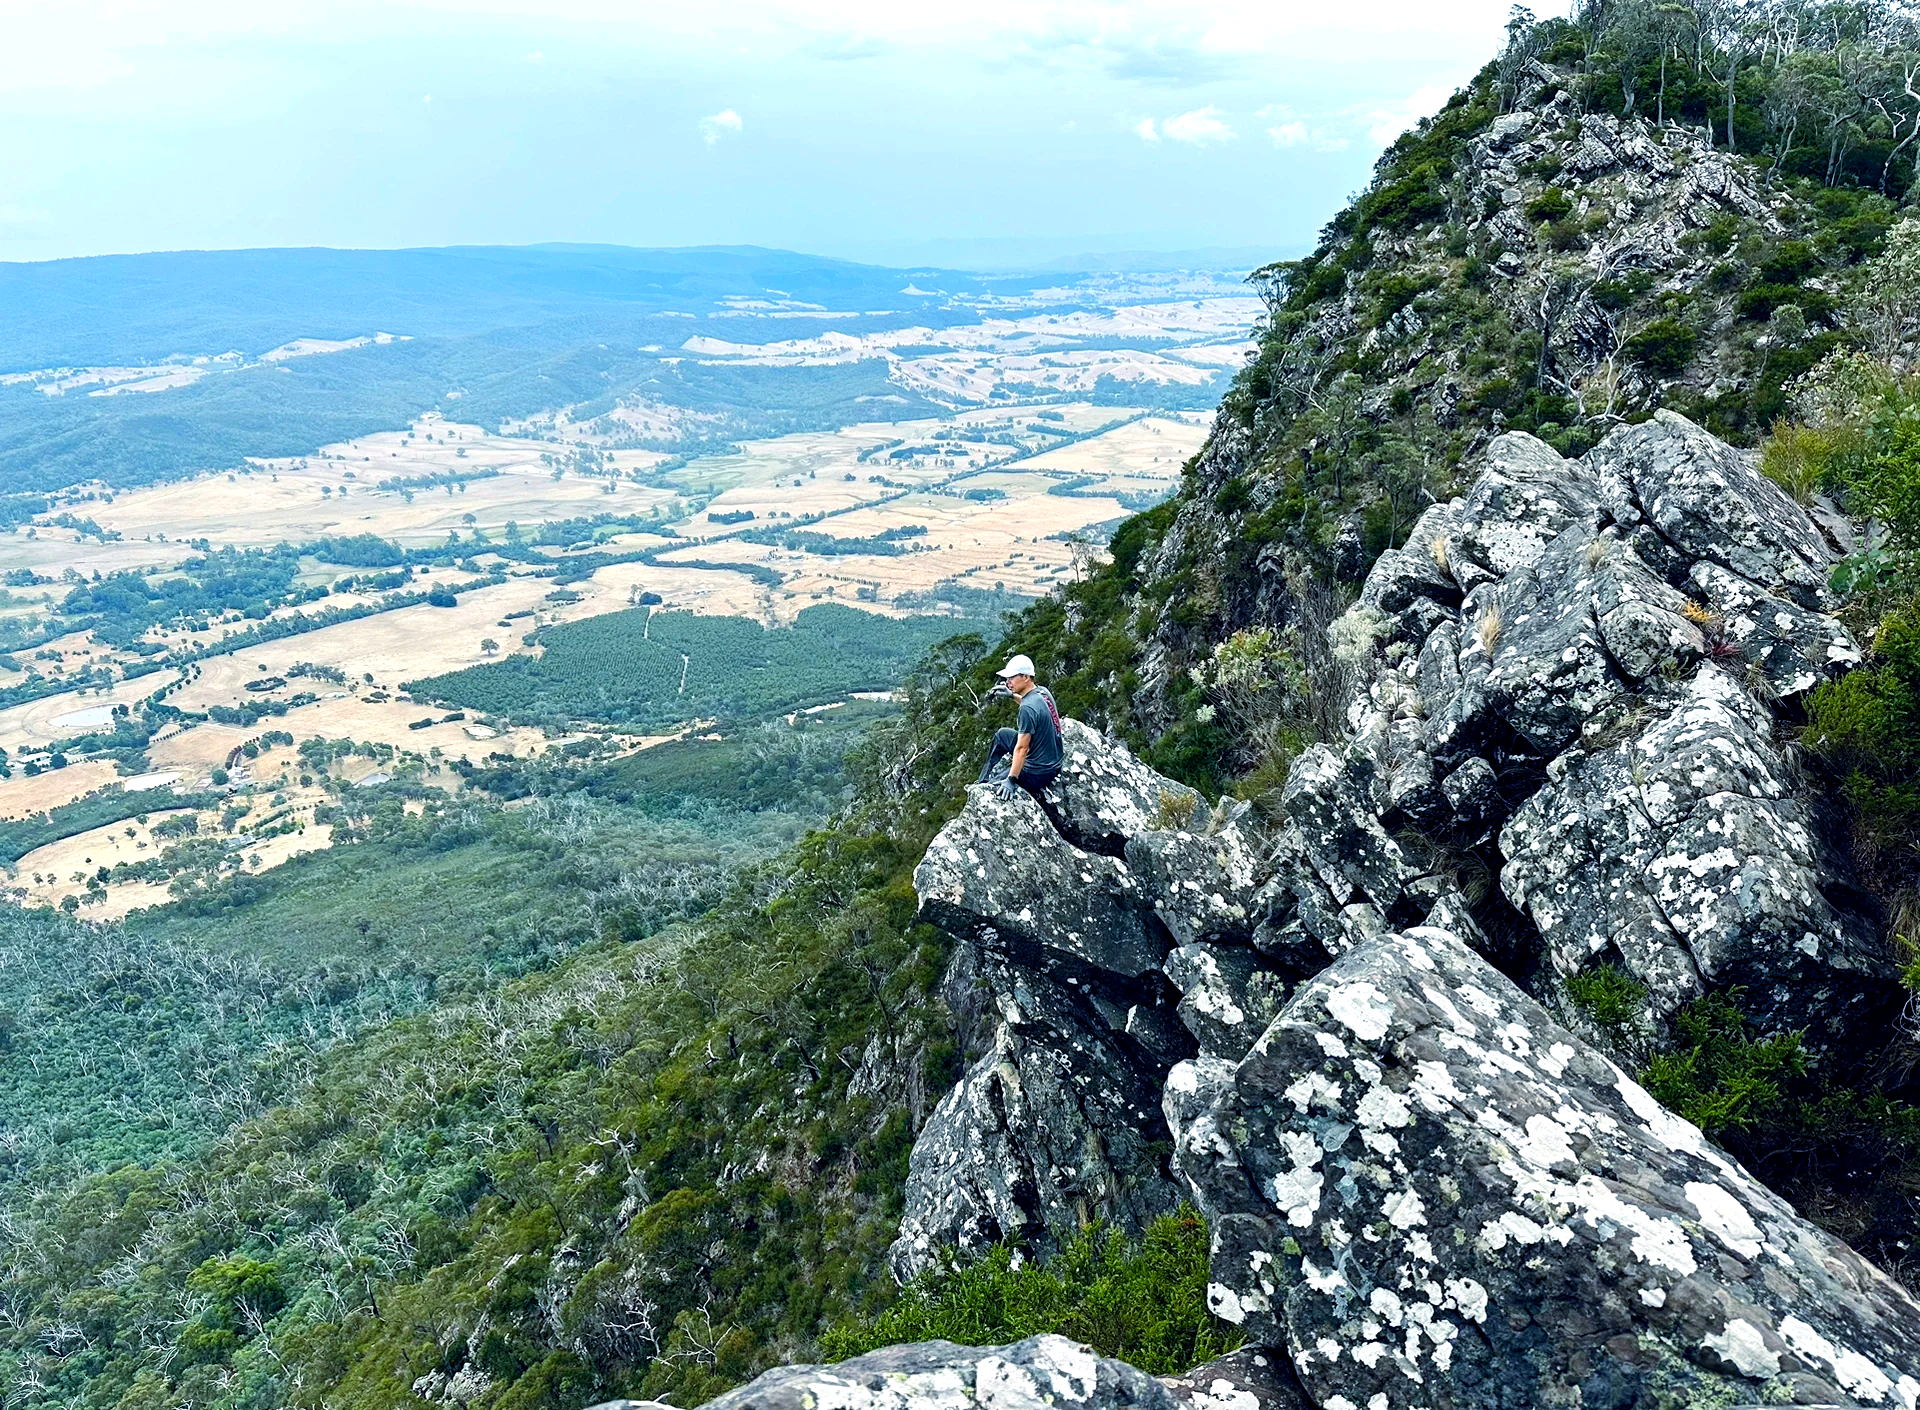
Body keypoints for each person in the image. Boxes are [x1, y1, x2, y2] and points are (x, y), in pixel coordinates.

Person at [976, 654, 1064, 802]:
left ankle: (985, 785)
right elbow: (1034, 710)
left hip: (1038, 773)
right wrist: (1012, 695)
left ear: (1025, 677)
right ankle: (982, 779)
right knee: (1002, 735)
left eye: (1011, 678)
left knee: (991, 789)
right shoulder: (1043, 692)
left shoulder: (1027, 709)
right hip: (1053, 763)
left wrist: (1011, 780)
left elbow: (1022, 748)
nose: (1007, 682)